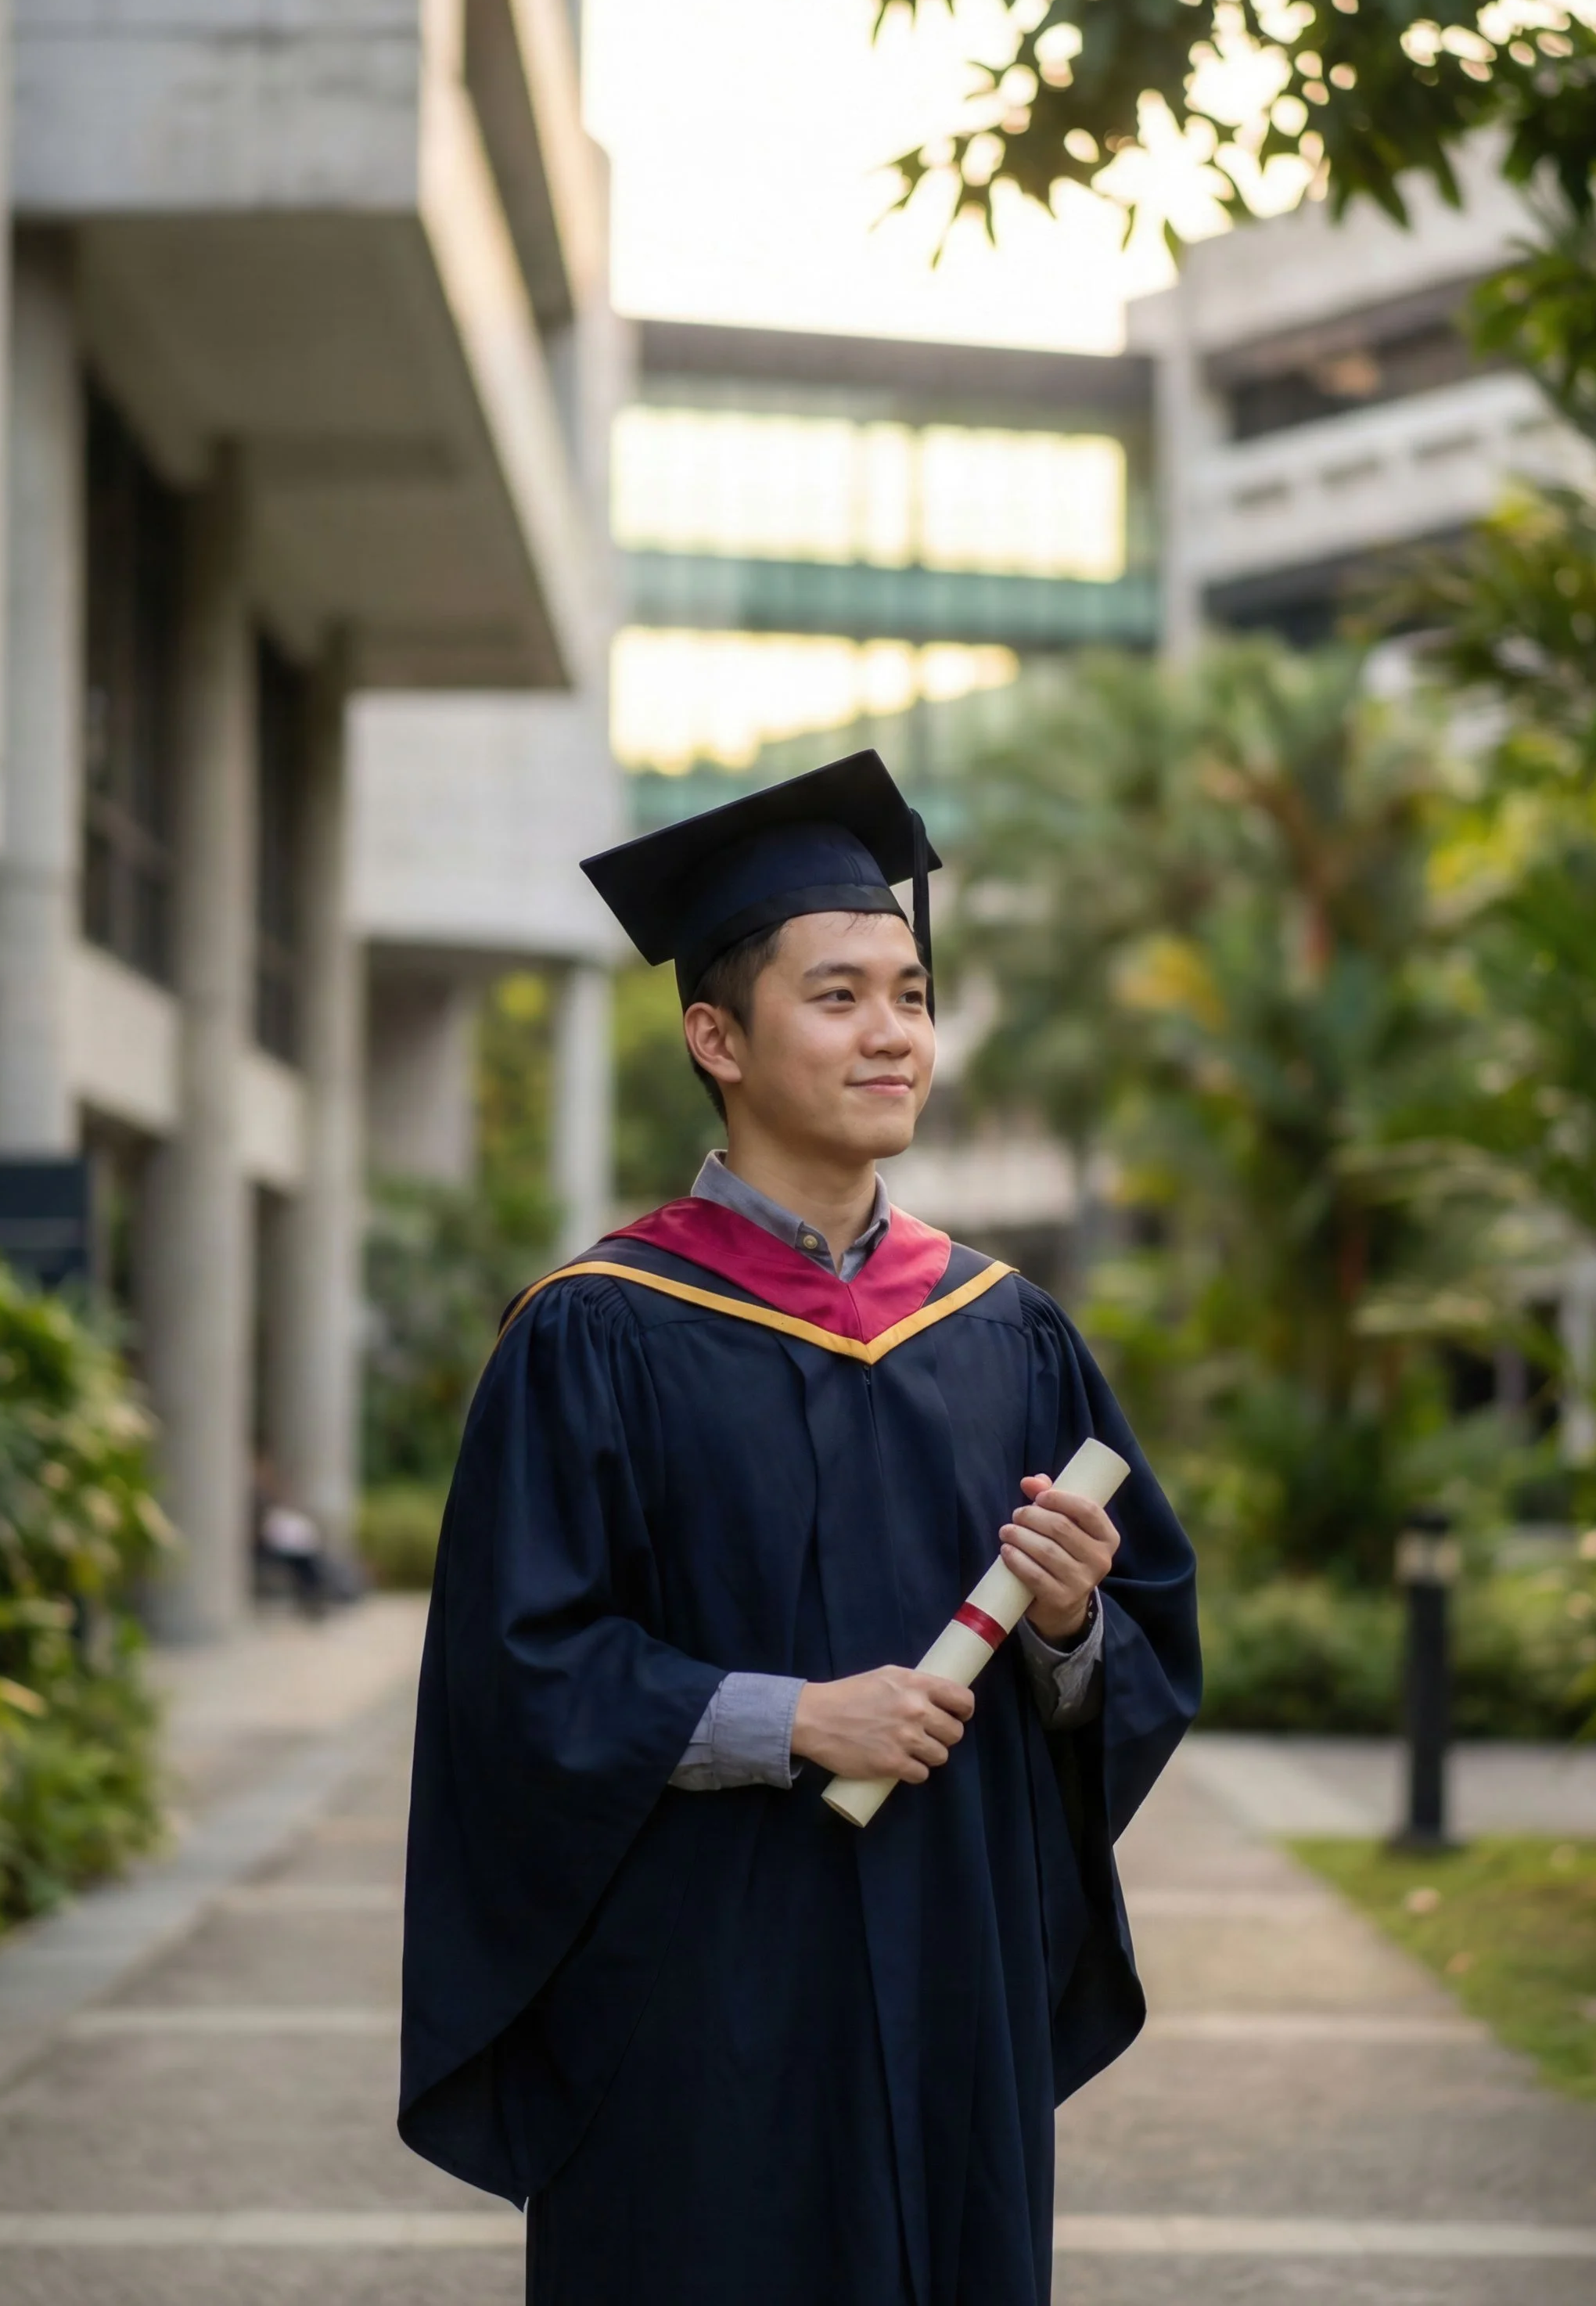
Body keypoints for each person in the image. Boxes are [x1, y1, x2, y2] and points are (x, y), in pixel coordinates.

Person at [399, 751, 1199, 2305]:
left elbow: (1134, 1659)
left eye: (906, 992)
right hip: (701, 1999)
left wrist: (1064, 1629)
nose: (892, 1034)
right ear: (716, 1036)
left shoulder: (1003, 1332)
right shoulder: (596, 1332)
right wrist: (784, 1719)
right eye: (836, 997)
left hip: (948, 1967)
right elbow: (518, 1676)